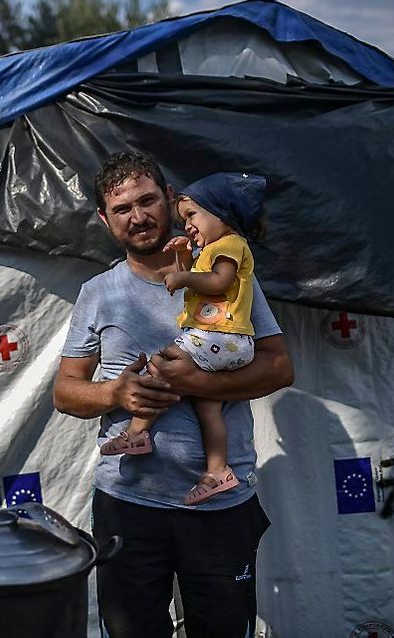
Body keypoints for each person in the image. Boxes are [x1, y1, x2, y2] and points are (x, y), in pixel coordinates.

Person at [53, 152, 294, 637]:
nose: (138, 217)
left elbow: (280, 366)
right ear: (105, 219)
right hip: (128, 504)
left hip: (220, 507)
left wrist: (196, 383)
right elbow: (65, 391)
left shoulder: (226, 275)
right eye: (122, 209)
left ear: (169, 200)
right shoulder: (98, 293)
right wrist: (117, 393)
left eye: (147, 201)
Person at [99, 172, 268, 507]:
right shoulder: (213, 248)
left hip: (223, 336)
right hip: (221, 340)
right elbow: (201, 281)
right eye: (121, 209)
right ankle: (218, 470)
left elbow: (217, 282)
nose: (187, 225)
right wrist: (183, 259)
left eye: (192, 216)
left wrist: (181, 274)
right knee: (207, 406)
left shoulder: (231, 245)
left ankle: (136, 433)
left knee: (163, 364)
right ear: (104, 218)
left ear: (221, 214)